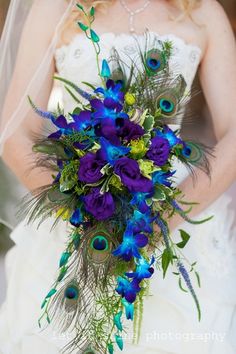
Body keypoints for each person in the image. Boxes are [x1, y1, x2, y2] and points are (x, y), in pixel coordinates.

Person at [0, 0, 236, 353]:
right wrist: (79, 213)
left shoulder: (202, 12)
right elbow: (14, 132)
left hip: (168, 209)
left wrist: (161, 221)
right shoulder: (55, 7)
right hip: (72, 215)